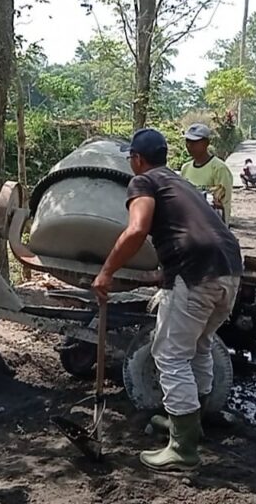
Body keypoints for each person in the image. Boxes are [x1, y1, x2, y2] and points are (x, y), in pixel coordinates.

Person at [92, 128, 243, 473]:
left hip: (195, 272)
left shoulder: (144, 182)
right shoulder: (180, 181)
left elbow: (136, 228)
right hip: (230, 268)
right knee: (200, 348)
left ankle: (183, 448)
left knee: (170, 355)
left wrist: (106, 272)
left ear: (136, 159)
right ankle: (190, 423)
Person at [179, 123, 235, 223]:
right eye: (187, 141)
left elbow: (222, 203)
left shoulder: (219, 168)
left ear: (206, 143)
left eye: (194, 142)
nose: (189, 145)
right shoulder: (185, 168)